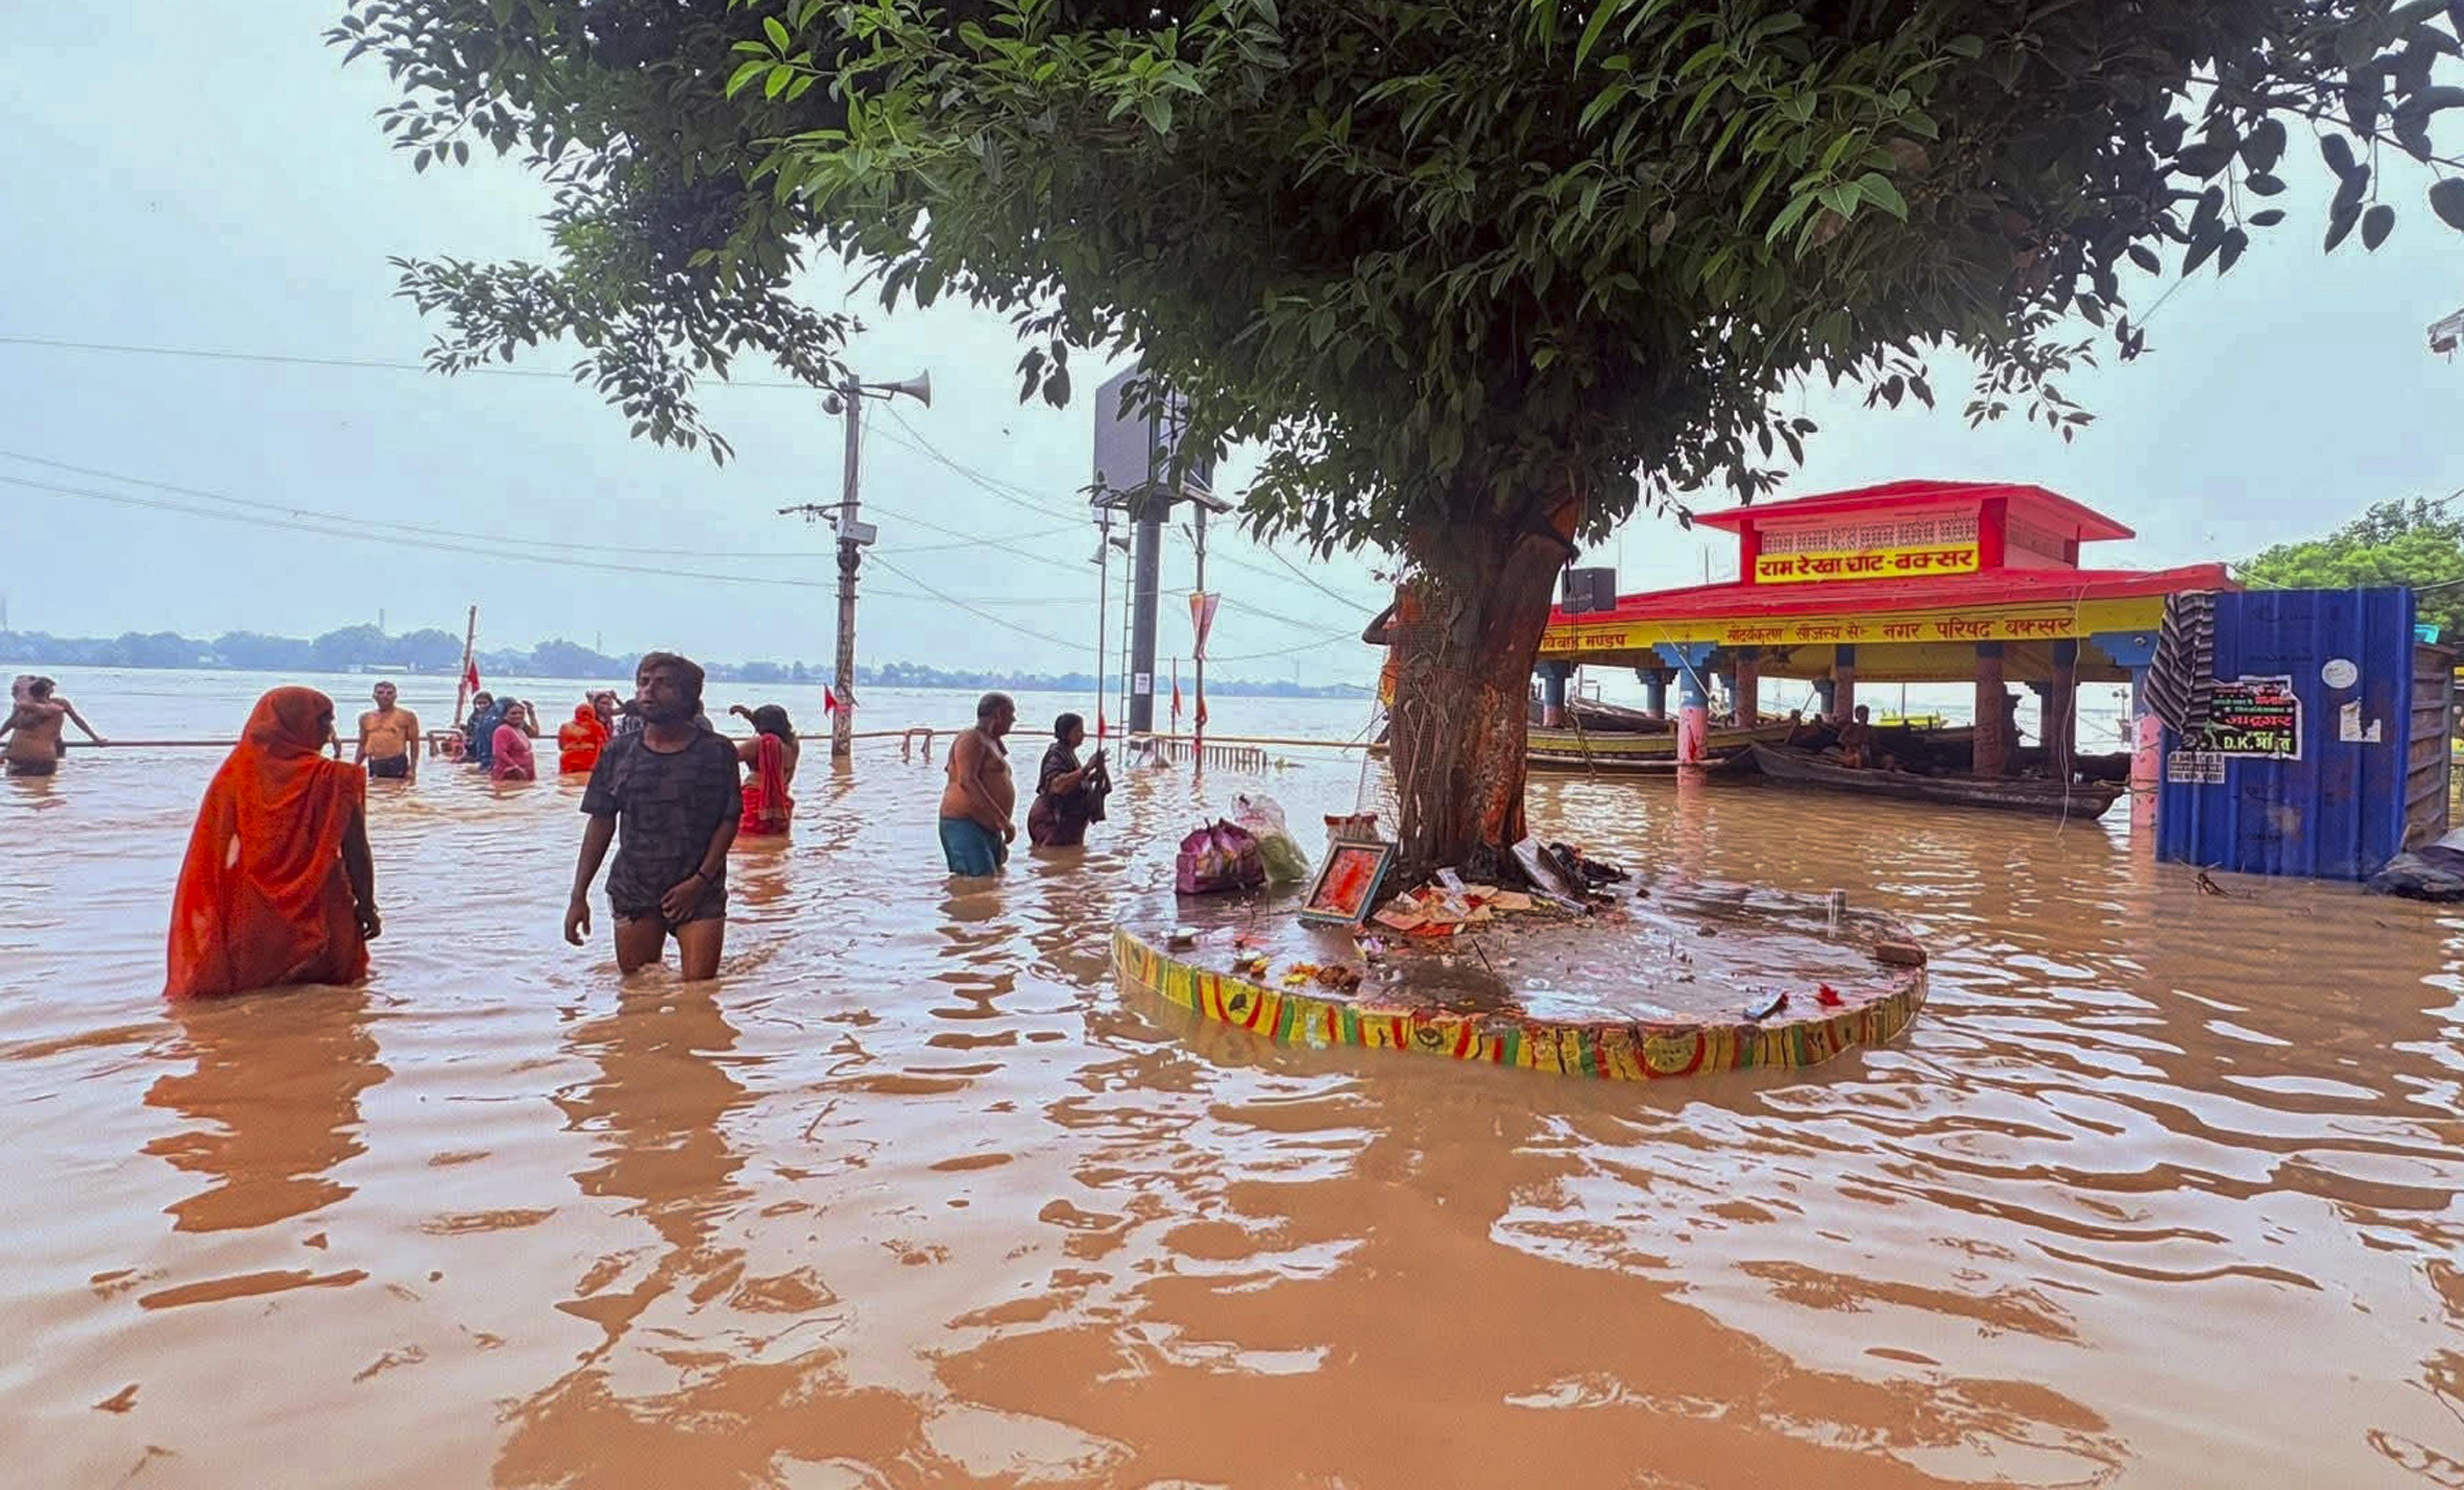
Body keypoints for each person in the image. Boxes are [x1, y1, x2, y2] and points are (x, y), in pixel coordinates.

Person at [164, 687, 381, 1000]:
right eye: (324, 722)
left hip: (254, 910)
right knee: (339, 1001)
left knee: (257, 998)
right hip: (323, 902)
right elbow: (356, 850)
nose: (330, 732)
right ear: (298, 724)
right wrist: (367, 906)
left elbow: (215, 852)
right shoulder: (333, 778)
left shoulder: (234, 775)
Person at [565, 652, 742, 979]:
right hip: (634, 887)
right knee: (638, 993)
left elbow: (729, 820)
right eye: (644, 683)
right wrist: (579, 896)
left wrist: (699, 882)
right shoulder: (619, 752)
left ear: (688, 695)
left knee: (699, 993)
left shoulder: (716, 752)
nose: (648, 691)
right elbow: (601, 823)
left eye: (663, 685)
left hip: (700, 888)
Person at [939, 692, 1017, 875]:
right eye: (1011, 714)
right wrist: (1003, 821)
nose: (1014, 719)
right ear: (999, 714)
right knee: (977, 885)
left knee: (991, 887)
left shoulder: (992, 742)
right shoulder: (971, 738)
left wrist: (999, 825)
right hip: (965, 823)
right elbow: (967, 781)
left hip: (989, 827)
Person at [1027, 712, 1110, 849]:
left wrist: (1093, 776)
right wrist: (1087, 769)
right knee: (1052, 861)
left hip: (1069, 825)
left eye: (1083, 731)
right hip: (1053, 822)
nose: (1083, 735)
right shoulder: (1056, 755)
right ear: (1066, 734)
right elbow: (1058, 785)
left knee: (1071, 863)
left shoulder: (1068, 754)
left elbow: (1074, 781)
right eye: (1078, 732)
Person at [3, 676, 104, 776]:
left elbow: (76, 720)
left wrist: (95, 738)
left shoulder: (55, 706)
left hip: (41, 758)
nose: (13, 693)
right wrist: (6, 750)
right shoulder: (23, 707)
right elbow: (15, 729)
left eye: (16, 689)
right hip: (19, 760)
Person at [729, 703, 798, 836]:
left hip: (756, 803)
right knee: (775, 845)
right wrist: (750, 716)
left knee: (747, 846)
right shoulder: (793, 744)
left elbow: (726, 757)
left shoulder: (760, 743)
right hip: (781, 806)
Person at [353, 681, 420, 783]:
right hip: (374, 762)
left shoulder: (406, 716)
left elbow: (414, 744)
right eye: (380, 693)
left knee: (396, 795)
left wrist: (413, 769)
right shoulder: (365, 718)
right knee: (375, 794)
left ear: (395, 697)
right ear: (374, 696)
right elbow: (363, 745)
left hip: (396, 762)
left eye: (389, 693)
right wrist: (355, 768)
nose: (385, 696)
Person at [558, 700, 610, 776]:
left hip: (568, 759)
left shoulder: (565, 727)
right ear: (593, 713)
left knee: (567, 784)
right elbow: (604, 746)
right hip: (588, 759)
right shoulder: (597, 726)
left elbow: (561, 746)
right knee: (585, 784)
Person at [492, 700, 540, 781]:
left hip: (524, 774)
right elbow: (499, 753)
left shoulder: (520, 730)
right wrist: (516, 768)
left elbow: (535, 734)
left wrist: (532, 714)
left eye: (521, 713)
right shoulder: (502, 730)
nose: (518, 716)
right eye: (513, 713)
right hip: (509, 775)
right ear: (505, 716)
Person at [463, 692, 505, 769]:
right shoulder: (473, 718)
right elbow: (470, 734)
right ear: (475, 705)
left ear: (491, 704)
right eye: (479, 704)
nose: (482, 706)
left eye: (485, 703)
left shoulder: (497, 718)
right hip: (477, 748)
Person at [1836, 703, 1876, 769]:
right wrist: (1852, 746)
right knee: (1858, 757)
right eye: (1862, 714)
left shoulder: (1871, 729)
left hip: (1867, 756)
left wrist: (1869, 747)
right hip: (1852, 755)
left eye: (1866, 714)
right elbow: (1840, 739)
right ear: (1857, 716)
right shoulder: (1851, 727)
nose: (1864, 717)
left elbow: (1875, 745)